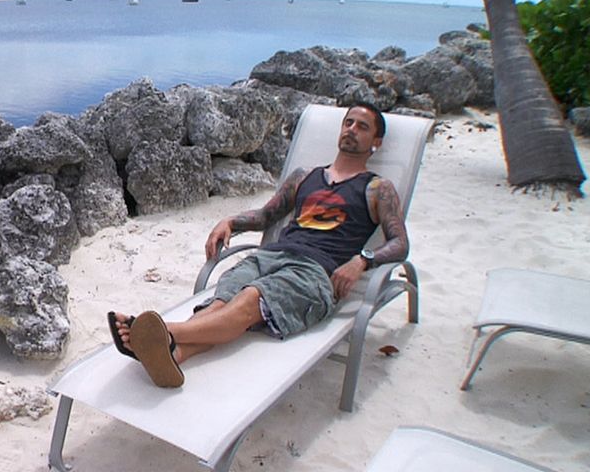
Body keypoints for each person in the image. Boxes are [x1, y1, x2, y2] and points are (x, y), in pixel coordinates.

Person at [109, 102, 409, 387]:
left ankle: (162, 330)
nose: (352, 129)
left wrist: (362, 260)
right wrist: (230, 222)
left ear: (376, 141)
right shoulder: (305, 177)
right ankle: (174, 355)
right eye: (348, 122)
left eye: (362, 126)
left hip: (315, 272)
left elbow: (400, 243)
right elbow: (266, 215)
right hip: (269, 256)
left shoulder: (377, 189)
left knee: (250, 299)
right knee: (218, 303)